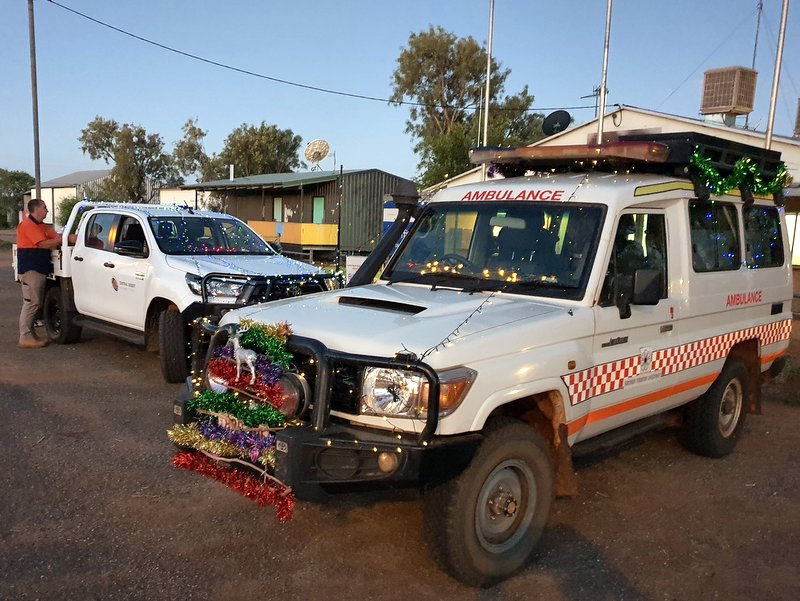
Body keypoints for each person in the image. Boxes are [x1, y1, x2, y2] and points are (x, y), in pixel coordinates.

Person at [16, 199, 76, 348]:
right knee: (32, 303)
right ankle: (25, 336)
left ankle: (29, 335)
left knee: (35, 302)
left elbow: (56, 237)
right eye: (45, 208)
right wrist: (66, 239)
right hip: (31, 270)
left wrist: (66, 237)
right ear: (36, 209)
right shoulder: (27, 225)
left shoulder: (41, 226)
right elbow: (42, 243)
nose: (47, 211)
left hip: (38, 269)